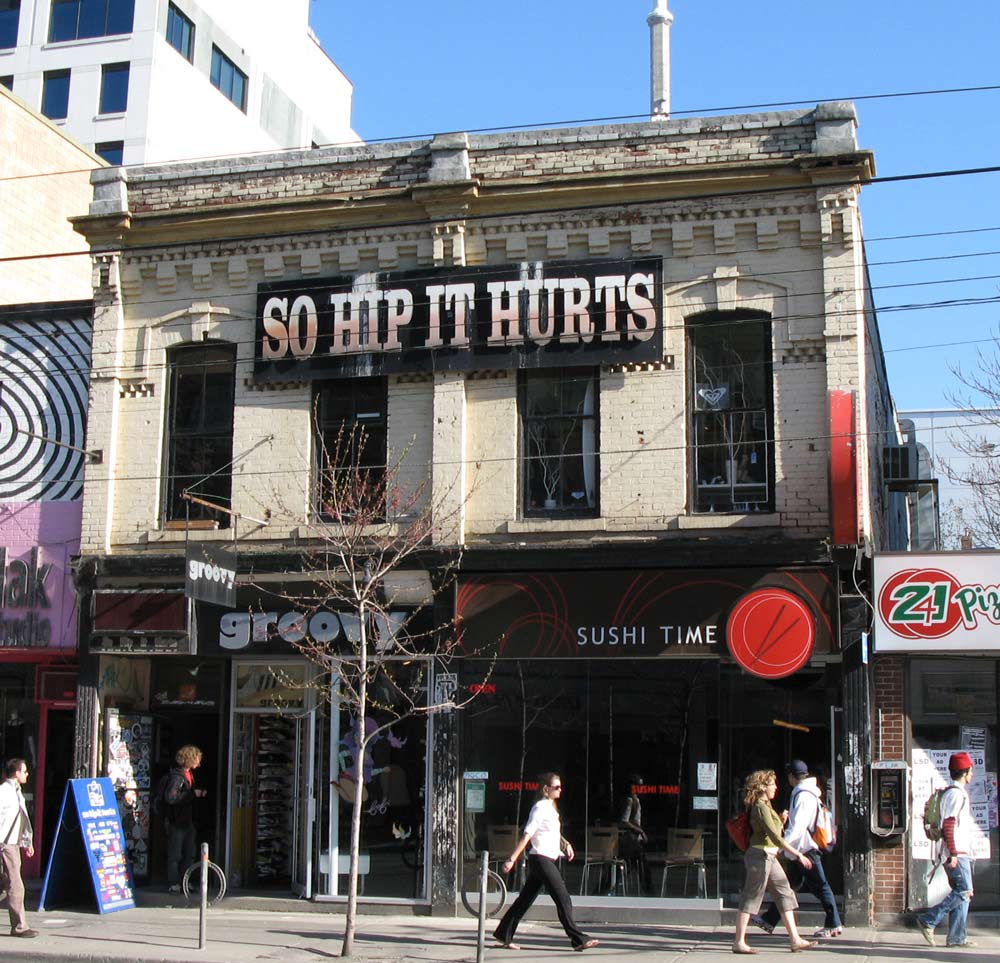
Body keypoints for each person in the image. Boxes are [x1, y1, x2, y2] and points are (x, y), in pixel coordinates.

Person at [492, 773, 599, 952]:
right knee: (563, 897)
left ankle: (504, 933)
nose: (560, 790)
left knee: (524, 900)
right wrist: (512, 859)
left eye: (560, 786)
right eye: (556, 787)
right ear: (546, 789)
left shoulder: (550, 808)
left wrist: (565, 844)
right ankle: (578, 938)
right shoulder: (540, 807)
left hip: (545, 858)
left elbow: (551, 833)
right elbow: (528, 834)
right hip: (540, 859)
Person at [752, 760, 843, 939]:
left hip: (805, 849)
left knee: (821, 886)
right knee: (788, 886)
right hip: (800, 849)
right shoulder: (807, 793)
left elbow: (798, 827)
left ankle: (834, 923)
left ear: (792, 777)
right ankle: (769, 920)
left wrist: (782, 845)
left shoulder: (803, 796)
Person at [732, 769, 817, 955]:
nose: (776, 787)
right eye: (772, 784)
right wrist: (799, 855)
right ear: (762, 787)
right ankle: (739, 942)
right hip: (759, 856)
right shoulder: (760, 807)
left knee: (784, 893)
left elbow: (773, 832)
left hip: (769, 856)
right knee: (751, 897)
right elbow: (774, 837)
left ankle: (795, 939)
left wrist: (781, 820)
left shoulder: (766, 806)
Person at [916, 751, 977, 948]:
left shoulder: (954, 793)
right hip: (956, 853)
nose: (972, 774)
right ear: (965, 772)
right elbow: (949, 825)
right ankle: (928, 920)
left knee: (965, 895)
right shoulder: (956, 795)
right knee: (964, 891)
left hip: (960, 852)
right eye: (971, 770)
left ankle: (957, 937)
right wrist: (953, 853)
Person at [161, 745, 207, 893]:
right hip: (178, 821)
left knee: (189, 853)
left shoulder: (189, 775)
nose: (199, 762)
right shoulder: (177, 777)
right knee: (176, 853)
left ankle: (185, 880)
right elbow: (171, 798)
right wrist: (193, 794)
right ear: (190, 759)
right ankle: (174, 882)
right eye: (197, 759)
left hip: (188, 820)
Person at [0, 758, 37, 938]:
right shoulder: (4, 793)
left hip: (12, 844)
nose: (27, 774)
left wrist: (27, 842)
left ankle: (19, 925)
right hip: (4, 844)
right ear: (16, 773)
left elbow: (22, 820)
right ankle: (19, 926)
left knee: (11, 884)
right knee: (16, 885)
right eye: (25, 771)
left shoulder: (17, 792)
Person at [618, 773, 650, 893]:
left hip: (634, 840)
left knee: (636, 864)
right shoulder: (630, 800)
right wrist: (640, 831)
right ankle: (648, 890)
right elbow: (624, 821)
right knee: (641, 864)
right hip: (630, 841)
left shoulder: (636, 800)